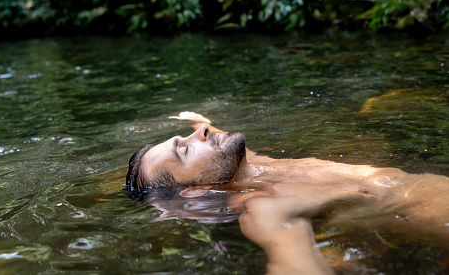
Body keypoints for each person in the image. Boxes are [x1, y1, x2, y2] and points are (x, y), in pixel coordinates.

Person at [125, 112, 449, 275]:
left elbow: (210, 134)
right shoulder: (265, 210)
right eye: (184, 150)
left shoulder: (250, 163)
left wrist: (196, 119)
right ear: (196, 193)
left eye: (186, 134)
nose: (202, 132)